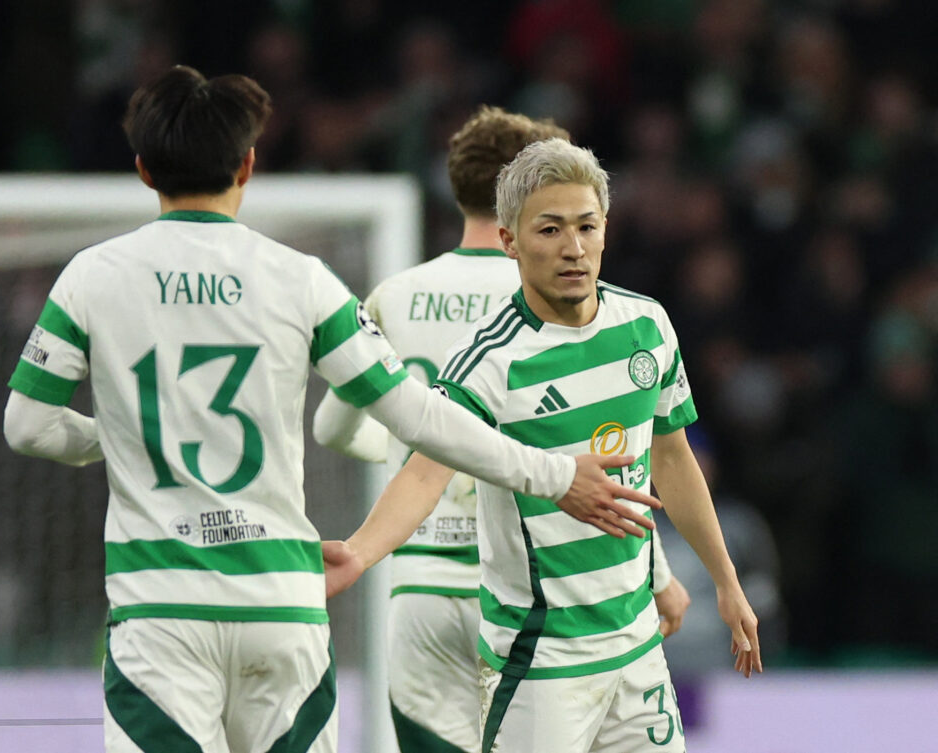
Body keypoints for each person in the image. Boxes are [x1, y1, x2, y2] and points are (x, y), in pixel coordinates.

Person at [2, 67, 663, 753]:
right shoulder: (300, 278)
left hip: (160, 607)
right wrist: (554, 473)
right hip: (282, 601)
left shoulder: (92, 273)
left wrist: (123, 434)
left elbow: (27, 424)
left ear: (142, 169)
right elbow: (418, 415)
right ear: (248, 165)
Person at [325, 137, 762, 753]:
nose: (573, 247)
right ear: (509, 242)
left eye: (586, 226)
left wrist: (726, 580)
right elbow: (426, 472)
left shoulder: (647, 325)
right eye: (550, 229)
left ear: (606, 229)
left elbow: (671, 456)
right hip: (541, 661)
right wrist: (360, 553)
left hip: (636, 650)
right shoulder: (490, 360)